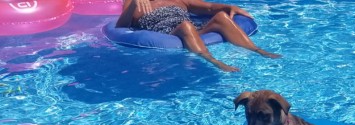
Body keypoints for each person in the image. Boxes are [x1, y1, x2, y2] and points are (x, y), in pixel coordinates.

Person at [116, 0, 281, 72]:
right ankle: (215, 61)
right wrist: (134, 4)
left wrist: (230, 6)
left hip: (192, 29)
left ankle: (258, 50)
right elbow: (121, 27)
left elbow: (209, 7)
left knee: (222, 17)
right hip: (167, 33)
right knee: (186, 26)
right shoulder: (134, 2)